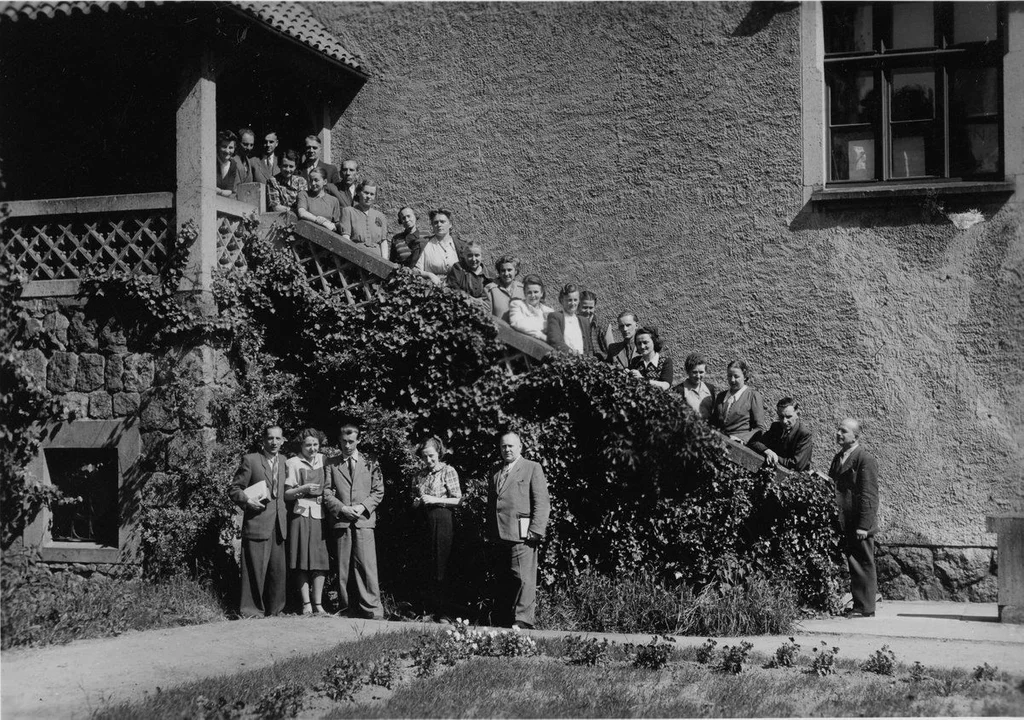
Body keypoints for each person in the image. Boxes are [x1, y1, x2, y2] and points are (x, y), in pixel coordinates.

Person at [323, 420, 385, 619]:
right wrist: (342, 508)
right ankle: (346, 607)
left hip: (364, 520)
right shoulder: (331, 463)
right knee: (343, 567)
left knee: (366, 565)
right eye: (343, 442)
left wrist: (362, 507)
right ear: (339, 442)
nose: (347, 446)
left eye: (351, 441)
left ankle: (372, 609)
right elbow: (326, 492)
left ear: (358, 440)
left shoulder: (371, 462)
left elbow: (378, 491)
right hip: (342, 521)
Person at [487, 431, 549, 629]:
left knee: (524, 578)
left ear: (520, 447)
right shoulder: (496, 470)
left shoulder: (532, 468)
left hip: (523, 533)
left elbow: (542, 501)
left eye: (511, 446)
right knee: (504, 579)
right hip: (499, 533)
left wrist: (536, 529)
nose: (507, 449)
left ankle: (523, 620)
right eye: (503, 446)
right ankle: (504, 619)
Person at [227, 424, 289, 618]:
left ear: (282, 440)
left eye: (278, 439)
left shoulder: (286, 461)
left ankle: (276, 610)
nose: (274, 442)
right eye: (270, 438)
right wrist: (247, 501)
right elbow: (234, 489)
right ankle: (251, 611)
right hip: (257, 522)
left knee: (277, 571)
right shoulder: (251, 460)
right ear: (263, 440)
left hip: (280, 524)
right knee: (254, 569)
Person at [828, 418, 879, 618]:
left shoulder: (864, 459)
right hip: (845, 520)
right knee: (854, 562)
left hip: (859, 522)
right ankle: (860, 604)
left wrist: (864, 525)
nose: (838, 434)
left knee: (864, 563)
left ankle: (866, 608)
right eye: (838, 430)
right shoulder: (838, 457)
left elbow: (869, 494)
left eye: (844, 431)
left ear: (855, 436)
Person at [412, 436, 462, 622]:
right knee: (426, 565)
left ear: (439, 453)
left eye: (431, 456)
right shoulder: (419, 475)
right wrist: (417, 502)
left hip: (442, 519)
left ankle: (444, 613)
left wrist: (435, 500)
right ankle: (428, 610)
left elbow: (458, 499)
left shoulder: (448, 471)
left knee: (442, 565)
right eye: (424, 457)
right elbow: (413, 499)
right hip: (423, 521)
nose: (428, 461)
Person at [284, 428, 330, 615]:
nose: (312, 449)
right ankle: (306, 604)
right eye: (308, 445)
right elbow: (287, 494)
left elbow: (330, 485)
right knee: (301, 559)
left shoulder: (324, 460)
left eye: (315, 445)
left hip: (320, 514)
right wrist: (302, 488)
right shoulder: (293, 463)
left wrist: (326, 495)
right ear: (301, 446)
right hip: (300, 513)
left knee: (320, 559)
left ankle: (318, 604)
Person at [710, 359, 768, 444]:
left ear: (744, 377)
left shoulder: (752, 396)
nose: (732, 380)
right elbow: (714, 423)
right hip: (719, 443)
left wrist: (741, 439)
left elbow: (759, 428)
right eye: (729, 376)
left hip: (740, 446)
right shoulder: (721, 396)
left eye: (736, 376)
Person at [749, 397, 814, 472]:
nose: (784, 421)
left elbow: (796, 465)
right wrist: (768, 451)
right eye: (781, 417)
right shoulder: (776, 427)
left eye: (788, 417)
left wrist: (774, 457)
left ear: (797, 415)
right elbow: (755, 442)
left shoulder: (804, 434)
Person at [339, 180, 389, 258]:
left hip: (377, 261)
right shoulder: (348, 211)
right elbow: (346, 237)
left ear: (375, 197)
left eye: (372, 194)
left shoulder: (380, 216)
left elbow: (383, 241)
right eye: (366, 193)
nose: (368, 196)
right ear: (359, 192)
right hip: (356, 257)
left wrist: (385, 262)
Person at [414, 209, 460, 285]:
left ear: (450, 224)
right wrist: (429, 275)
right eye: (435, 222)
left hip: (456, 289)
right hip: (431, 289)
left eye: (442, 222)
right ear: (432, 225)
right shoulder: (425, 245)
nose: (439, 225)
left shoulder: (458, 245)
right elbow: (415, 271)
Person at [546, 283, 594, 356]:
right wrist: (572, 354)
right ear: (562, 300)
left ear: (579, 301)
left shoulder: (584, 321)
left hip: (584, 362)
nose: (573, 303)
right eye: (569, 300)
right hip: (565, 361)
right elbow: (555, 341)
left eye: (575, 300)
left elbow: (589, 347)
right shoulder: (555, 317)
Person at [508, 274, 554, 341]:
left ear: (541, 293)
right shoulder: (517, 305)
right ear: (524, 293)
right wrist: (541, 334)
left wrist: (528, 322)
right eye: (529, 292)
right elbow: (517, 324)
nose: (533, 296)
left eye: (536, 292)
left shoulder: (549, 311)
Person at [296, 167, 341, 232]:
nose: (313, 183)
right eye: (311, 180)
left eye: (316, 180)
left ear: (325, 181)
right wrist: (320, 221)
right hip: (306, 232)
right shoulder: (304, 194)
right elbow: (302, 213)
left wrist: (332, 225)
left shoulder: (333, 200)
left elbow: (336, 224)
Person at [676, 353, 717, 420]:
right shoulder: (679, 390)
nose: (698, 376)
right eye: (694, 372)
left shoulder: (710, 388)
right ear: (688, 371)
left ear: (705, 371)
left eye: (701, 372)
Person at [487, 254, 524, 323]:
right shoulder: (490, 290)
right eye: (503, 270)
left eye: (509, 270)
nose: (506, 274)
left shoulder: (522, 289)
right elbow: (487, 317)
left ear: (516, 271)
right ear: (499, 272)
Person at [578, 290, 614, 360]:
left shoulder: (604, 325)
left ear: (594, 307)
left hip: (601, 365)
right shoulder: (572, 324)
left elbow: (611, 350)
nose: (588, 311)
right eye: (584, 307)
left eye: (591, 308)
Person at [215, 130, 240, 197]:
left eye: (231, 147)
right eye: (224, 146)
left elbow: (229, 190)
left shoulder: (233, 165)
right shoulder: (212, 161)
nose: (227, 151)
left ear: (234, 148)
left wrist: (219, 191)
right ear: (218, 147)